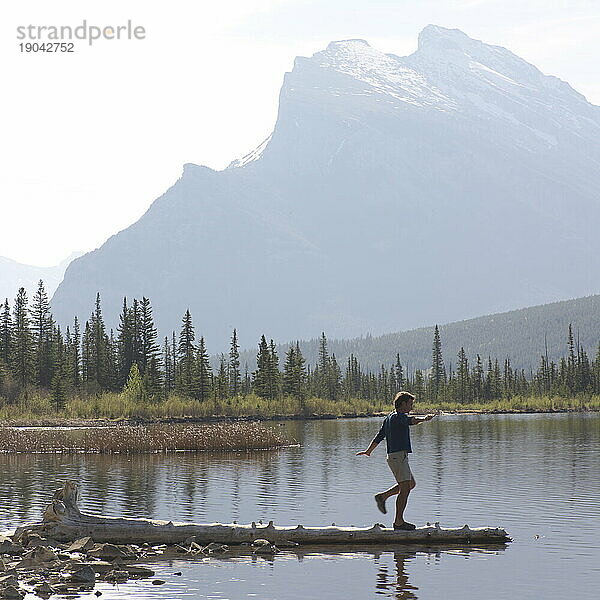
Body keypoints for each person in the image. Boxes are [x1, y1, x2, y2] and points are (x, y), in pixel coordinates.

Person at [356, 391, 435, 530]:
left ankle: (383, 497)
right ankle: (399, 522)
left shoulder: (389, 418)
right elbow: (412, 420)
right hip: (398, 457)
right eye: (410, 404)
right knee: (405, 488)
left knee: (410, 484)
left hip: (397, 457)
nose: (411, 407)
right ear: (403, 404)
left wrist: (369, 451)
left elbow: (380, 436)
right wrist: (424, 418)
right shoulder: (399, 417)